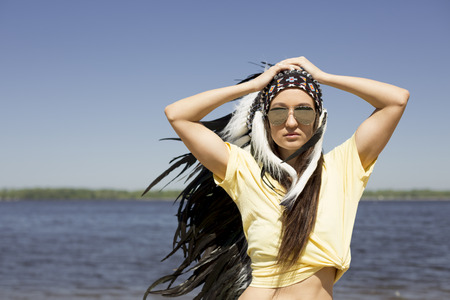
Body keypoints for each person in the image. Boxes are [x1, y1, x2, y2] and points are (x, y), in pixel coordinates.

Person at [143, 57, 409, 300]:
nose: (291, 122)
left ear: (318, 118)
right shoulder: (242, 170)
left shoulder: (344, 166)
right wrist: (254, 86)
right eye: (279, 113)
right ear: (265, 121)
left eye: (304, 111)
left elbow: (396, 99)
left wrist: (323, 77)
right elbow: (178, 114)